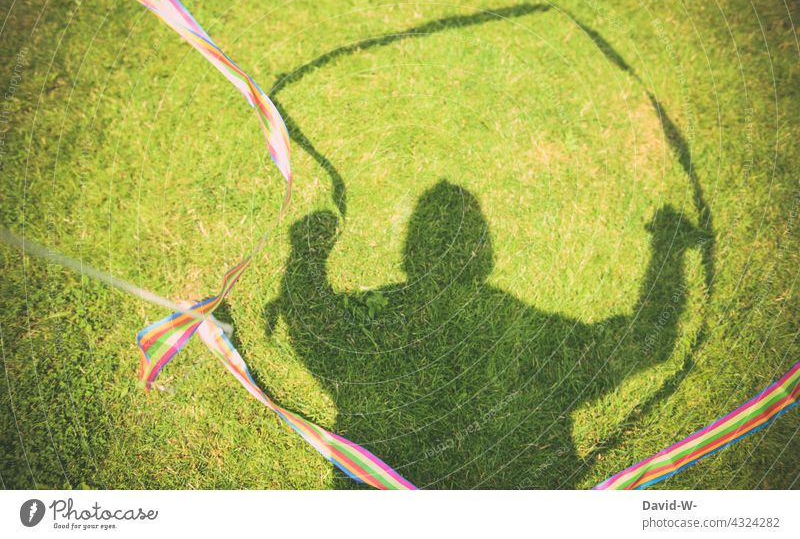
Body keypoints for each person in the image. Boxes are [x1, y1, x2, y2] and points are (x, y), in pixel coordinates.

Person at [265, 180, 702, 488]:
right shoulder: (531, 337)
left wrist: (307, 251)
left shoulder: (385, 317)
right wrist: (670, 247)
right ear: (486, 254)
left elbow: (314, 333)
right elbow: (645, 344)